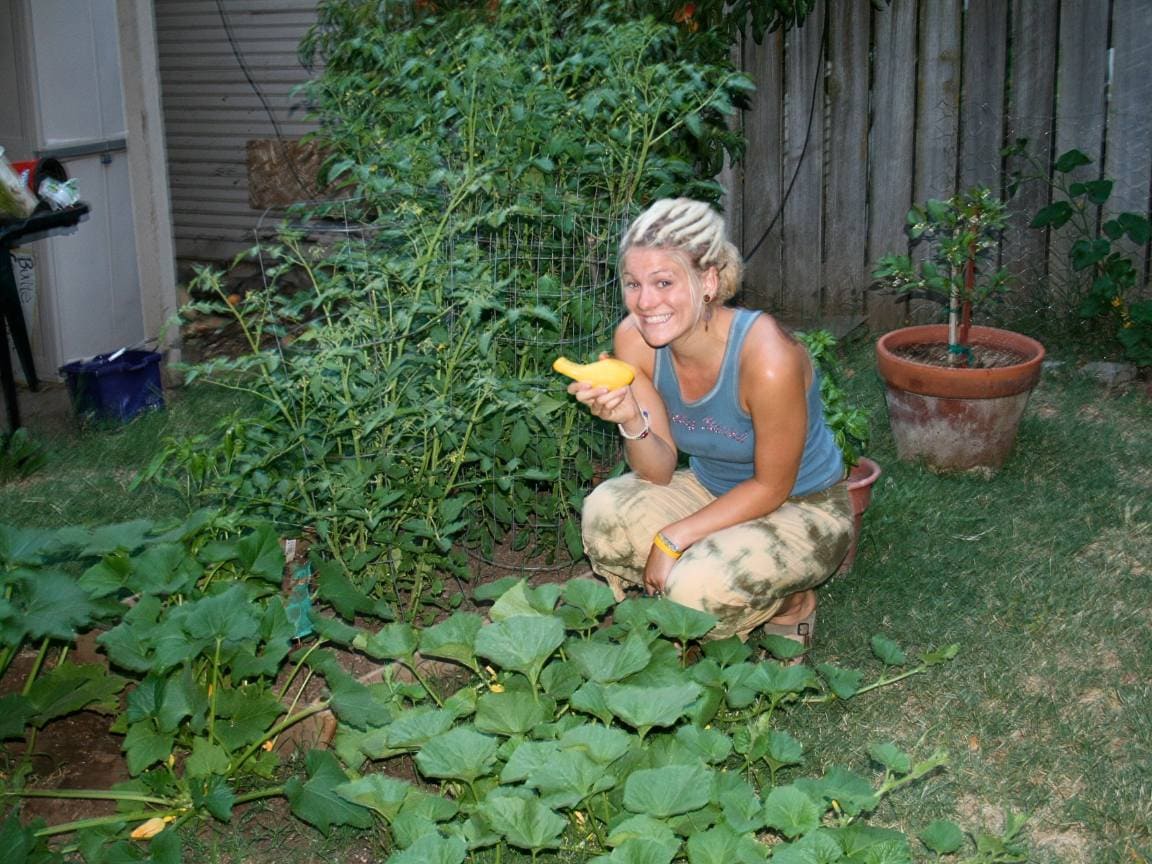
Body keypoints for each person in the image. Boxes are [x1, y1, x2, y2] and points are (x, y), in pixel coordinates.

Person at [568, 198, 853, 648]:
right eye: (632, 283)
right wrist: (629, 419)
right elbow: (658, 470)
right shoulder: (634, 340)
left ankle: (792, 604)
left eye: (663, 282)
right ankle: (707, 575)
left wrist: (672, 539)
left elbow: (772, 487)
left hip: (805, 505)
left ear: (708, 280)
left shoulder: (767, 357)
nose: (645, 302)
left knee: (695, 590)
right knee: (606, 514)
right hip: (711, 487)